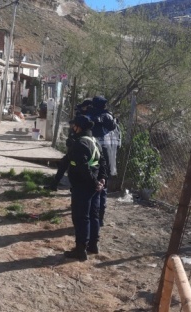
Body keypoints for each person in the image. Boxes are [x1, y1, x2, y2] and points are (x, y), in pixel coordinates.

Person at [64, 114, 107, 261]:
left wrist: (95, 182)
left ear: (78, 127)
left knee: (81, 218)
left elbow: (83, 168)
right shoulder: (94, 141)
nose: (72, 128)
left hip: (84, 185)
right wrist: (102, 179)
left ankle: (80, 250)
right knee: (94, 216)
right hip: (95, 187)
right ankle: (93, 245)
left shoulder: (80, 143)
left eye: (74, 125)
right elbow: (102, 162)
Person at [88, 96, 118, 226]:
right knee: (103, 182)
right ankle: (99, 219)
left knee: (90, 182)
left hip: (89, 148)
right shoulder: (107, 116)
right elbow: (112, 126)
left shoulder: (89, 114)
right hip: (104, 148)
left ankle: (91, 216)